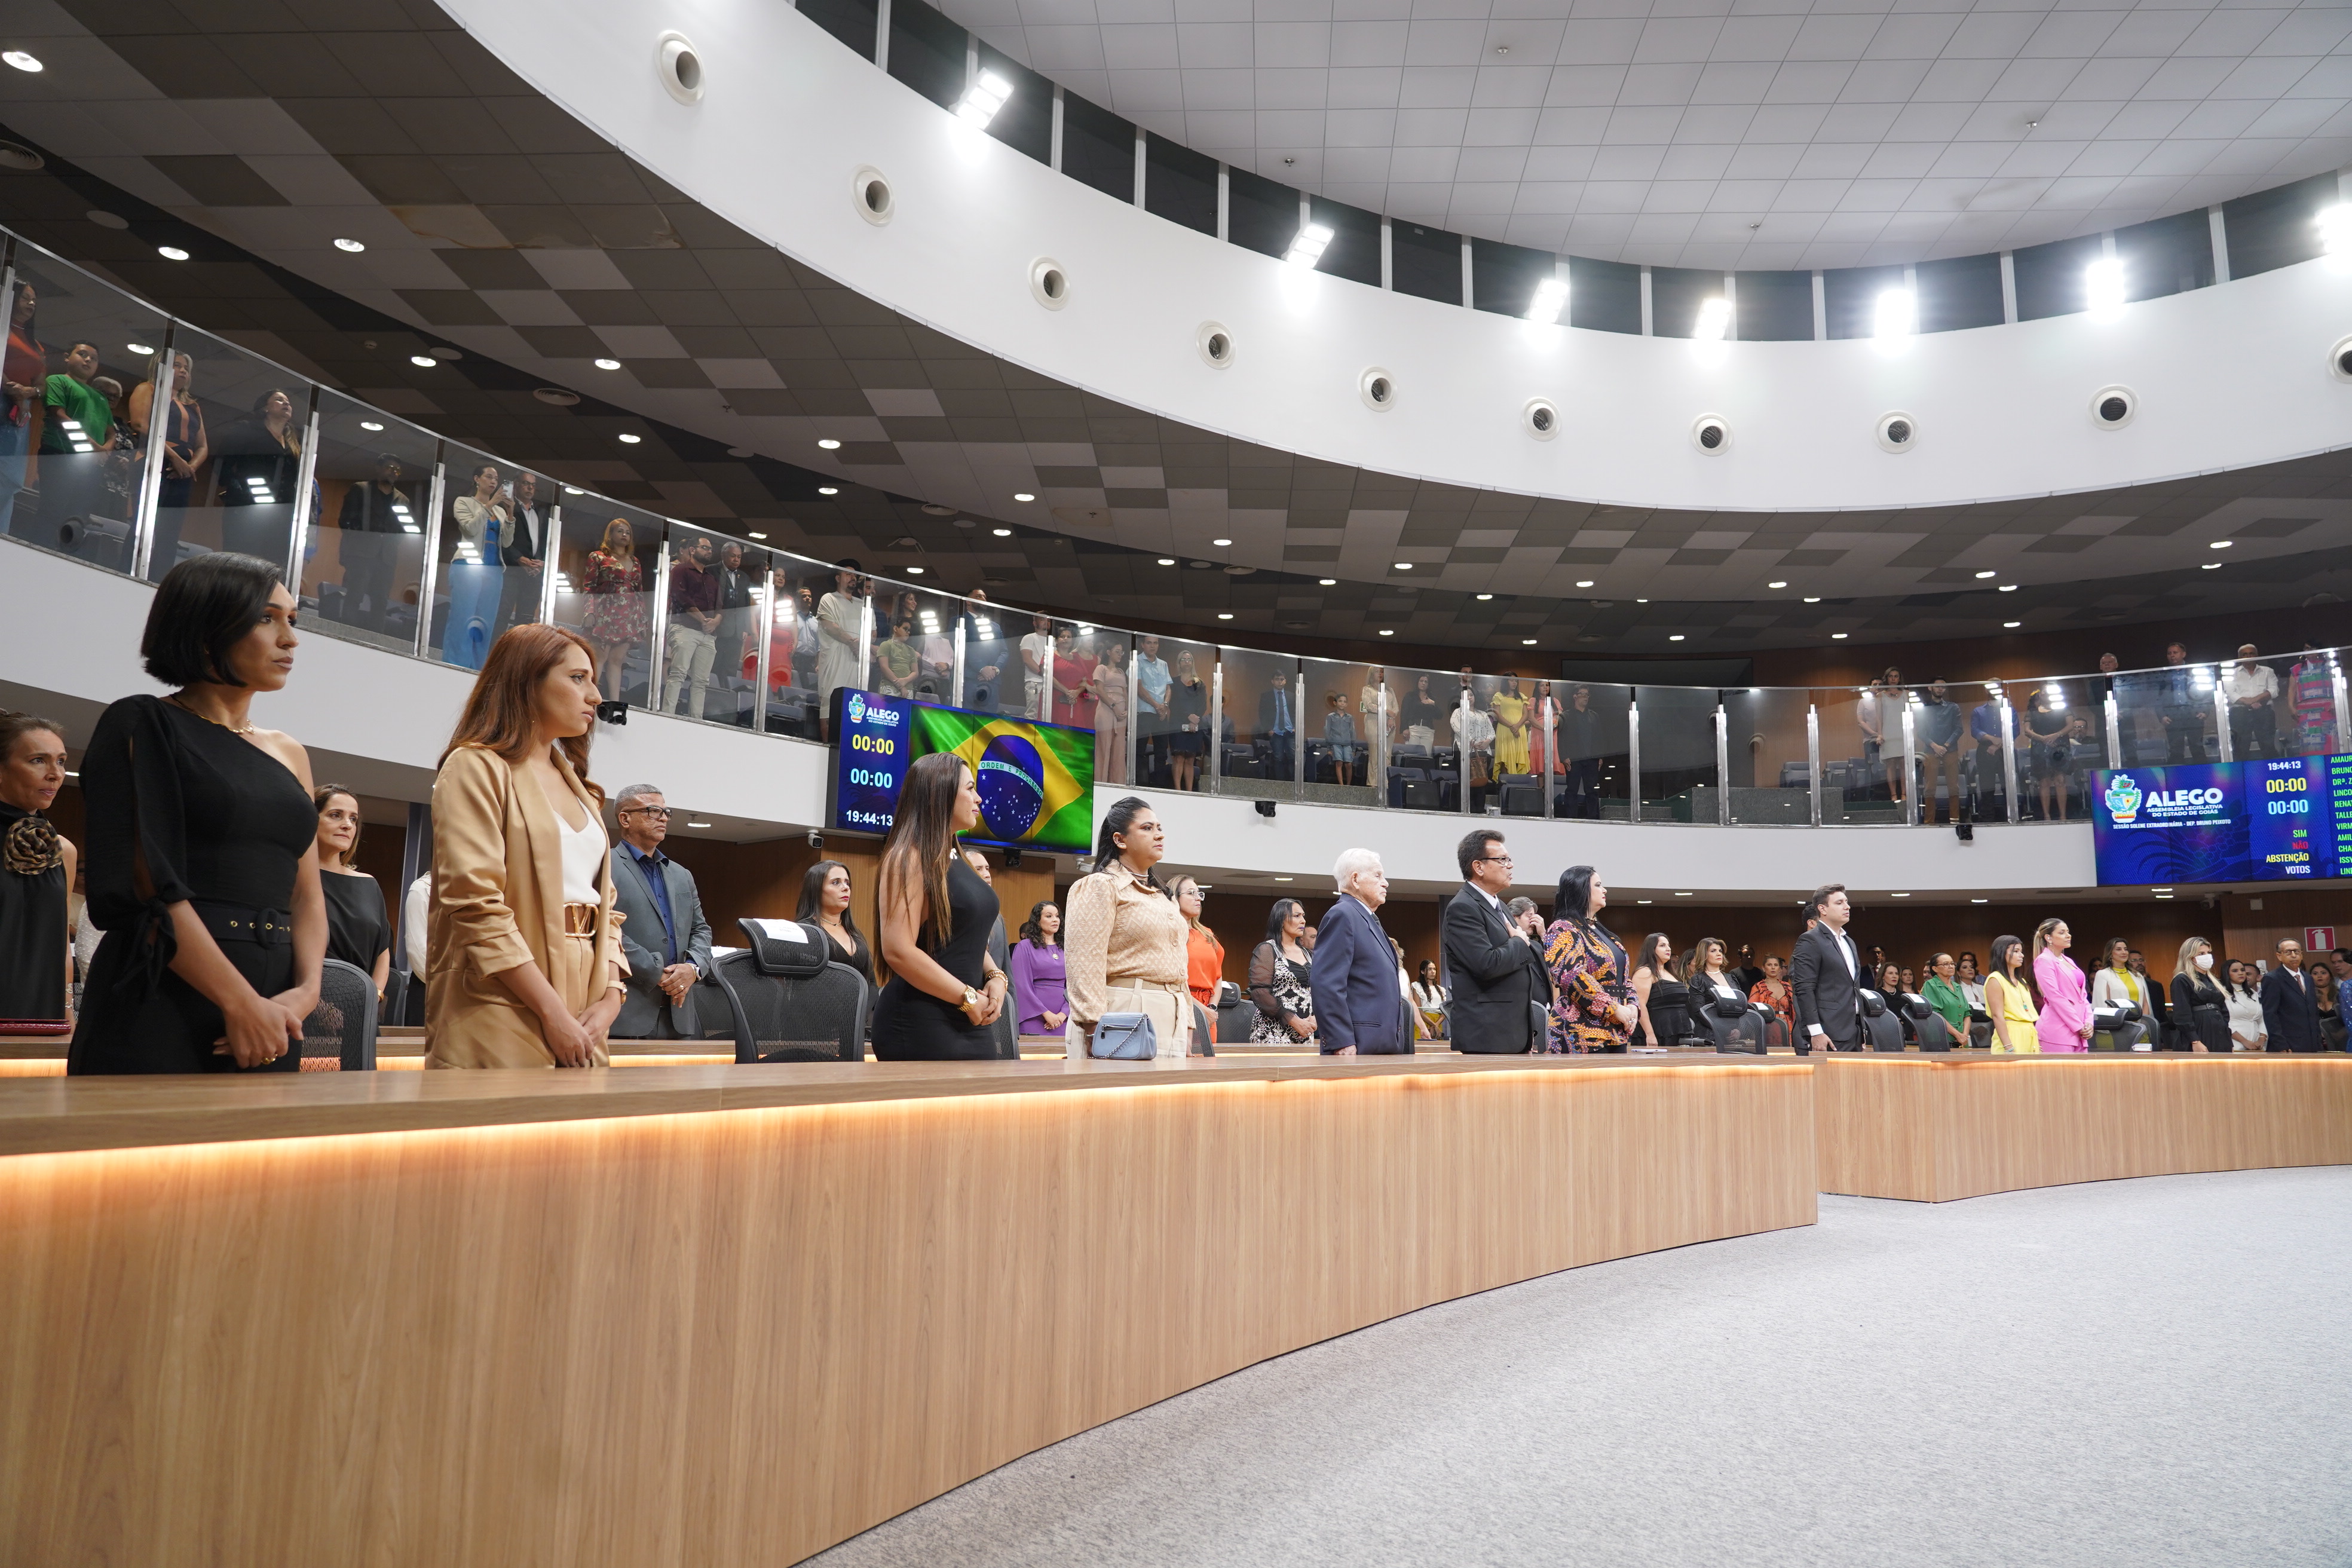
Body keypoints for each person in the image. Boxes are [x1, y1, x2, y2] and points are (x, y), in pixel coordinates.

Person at [69, 553, 326, 1074]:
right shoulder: (141, 722)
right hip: (165, 990)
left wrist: (307, 992)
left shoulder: (290, 752)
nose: (290, 639)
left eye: (293, 620)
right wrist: (239, 1002)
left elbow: (307, 894)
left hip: (277, 1006)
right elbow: (148, 886)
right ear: (207, 628)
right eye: (267, 618)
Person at [425, 624, 626, 1067]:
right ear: (526, 681)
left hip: (589, 991)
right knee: (503, 1111)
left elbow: (607, 907)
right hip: (504, 989)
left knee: (581, 1113)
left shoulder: (581, 786)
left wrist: (612, 995)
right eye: (578, 678)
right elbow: (475, 904)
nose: (596, 696)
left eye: (593, 680)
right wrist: (552, 1011)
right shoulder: (475, 766)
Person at [869, 754, 1006, 1058]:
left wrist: (996, 976)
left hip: (969, 1015)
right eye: (970, 788)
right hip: (921, 1021)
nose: (979, 798)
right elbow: (898, 950)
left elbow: (963, 936)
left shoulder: (957, 857)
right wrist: (967, 997)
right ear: (940, 794)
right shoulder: (908, 857)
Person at [1064, 796, 1191, 1056]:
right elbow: (1084, 963)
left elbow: (1179, 966)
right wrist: (1094, 1028)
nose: (1159, 835)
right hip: (1121, 1011)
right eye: (1147, 828)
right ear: (1120, 840)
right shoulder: (1100, 885)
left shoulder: (1164, 897)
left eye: (1159, 828)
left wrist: (1187, 1025)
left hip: (1172, 1012)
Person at [607, 782, 713, 1040]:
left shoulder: (681, 874)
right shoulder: (604, 865)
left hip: (679, 1016)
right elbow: (604, 928)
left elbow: (701, 929)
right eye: (653, 811)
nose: (663, 818)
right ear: (625, 819)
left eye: (666, 812)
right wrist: (656, 972)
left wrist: (692, 968)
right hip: (625, 1011)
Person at [0, 712, 76, 1033]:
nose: (55, 774)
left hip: (41, 1014)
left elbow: (61, 944)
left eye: (61, 761)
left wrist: (68, 1011)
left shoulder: (63, 851)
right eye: (38, 761)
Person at [1441, 828, 1548, 1054]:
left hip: (1512, 1032)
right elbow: (1486, 964)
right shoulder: (1463, 907)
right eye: (1502, 860)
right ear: (1478, 867)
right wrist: (1519, 942)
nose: (1510, 865)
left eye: (1509, 859)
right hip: (1487, 1032)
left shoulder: (1499, 906)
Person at [1307, 849, 1402, 1055]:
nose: (1385, 883)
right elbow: (1327, 984)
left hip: (1380, 1043)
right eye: (1378, 875)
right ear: (1356, 880)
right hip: (1356, 1045)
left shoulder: (1364, 917)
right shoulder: (1343, 915)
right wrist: (1340, 1041)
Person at [1541, 863, 1636, 1054]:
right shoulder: (1562, 928)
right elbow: (1573, 977)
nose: (1605, 890)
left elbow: (1623, 978)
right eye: (1598, 885)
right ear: (1581, 890)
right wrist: (1614, 1008)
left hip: (1616, 1029)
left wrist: (1633, 1005)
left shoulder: (1601, 931)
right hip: (1579, 1029)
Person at [311, 784, 391, 1008]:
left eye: (353, 819)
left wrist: (374, 996)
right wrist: (321, 1006)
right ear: (311, 819)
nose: (347, 824)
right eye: (336, 815)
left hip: (362, 1006)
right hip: (309, 1005)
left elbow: (383, 950)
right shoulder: (294, 878)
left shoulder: (369, 884)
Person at [333, 452, 413, 635]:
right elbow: (346, 521)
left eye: (398, 470)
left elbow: (404, 529)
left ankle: (375, 639)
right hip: (361, 554)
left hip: (387, 558)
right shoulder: (360, 490)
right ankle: (346, 635)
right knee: (355, 595)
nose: (394, 472)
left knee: (381, 601)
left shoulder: (403, 499)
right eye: (390, 468)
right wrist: (361, 541)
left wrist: (391, 544)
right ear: (378, 468)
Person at [440, 461, 509, 671]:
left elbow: (507, 543)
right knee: (462, 617)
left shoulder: (501, 511)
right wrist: (489, 506)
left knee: (485, 623)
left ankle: (477, 669)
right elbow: (470, 529)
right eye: (489, 477)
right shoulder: (464, 502)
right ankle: (454, 666)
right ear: (477, 479)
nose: (493, 482)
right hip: (467, 566)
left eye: (496, 479)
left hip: (494, 570)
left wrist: (511, 515)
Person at [580, 519, 647, 702]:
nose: (624, 535)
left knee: (618, 660)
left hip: (628, 614)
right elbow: (589, 586)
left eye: (628, 532)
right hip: (605, 612)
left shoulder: (635, 561)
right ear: (611, 534)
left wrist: (642, 619)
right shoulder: (598, 557)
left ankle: (615, 703)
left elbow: (639, 591)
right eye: (620, 531)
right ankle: (591, 699)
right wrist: (589, 611)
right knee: (599, 657)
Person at [1791, 884, 1864, 1054]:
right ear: (1822, 909)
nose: (1847, 907)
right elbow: (1804, 989)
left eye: (1846, 902)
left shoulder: (1849, 942)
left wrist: (1861, 1033)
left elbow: (1852, 987)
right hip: (1826, 1033)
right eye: (1839, 903)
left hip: (1853, 1031)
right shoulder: (1810, 940)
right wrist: (1816, 1032)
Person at [662, 535, 722, 719]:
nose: (709, 551)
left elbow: (721, 606)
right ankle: (667, 716)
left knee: (702, 681)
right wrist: (704, 620)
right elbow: (681, 598)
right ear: (692, 550)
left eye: (711, 549)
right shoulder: (681, 570)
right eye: (705, 548)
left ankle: (696, 719)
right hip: (685, 628)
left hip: (707, 634)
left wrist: (715, 621)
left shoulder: (711, 578)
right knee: (678, 674)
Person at [0, 281, 42, 537]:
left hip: (20, 412)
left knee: (12, 480)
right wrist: (11, 390)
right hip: (5, 401)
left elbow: (41, 384)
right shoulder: (2, 329)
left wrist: (28, 393)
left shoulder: (36, 345)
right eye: (26, 297)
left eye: (34, 299)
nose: (32, 303)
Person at [1249, 898, 1318, 1045]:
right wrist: (1292, 1019)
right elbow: (1260, 992)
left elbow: (1318, 990)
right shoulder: (1268, 949)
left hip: (1305, 1032)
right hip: (1273, 1033)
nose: (1303, 921)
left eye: (1303, 916)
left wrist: (1316, 1016)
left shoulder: (1308, 954)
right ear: (1281, 920)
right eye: (1297, 916)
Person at [796, 859, 874, 988]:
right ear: (816, 889)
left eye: (847, 883)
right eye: (836, 882)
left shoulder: (855, 933)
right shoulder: (804, 931)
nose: (846, 888)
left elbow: (871, 981)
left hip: (863, 1001)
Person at [495, 471, 552, 640]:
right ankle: (493, 651)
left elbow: (546, 541)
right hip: (511, 569)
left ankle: (518, 654)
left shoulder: (541, 512)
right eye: (526, 484)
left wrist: (542, 562)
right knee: (502, 614)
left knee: (526, 620)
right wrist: (519, 558)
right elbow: (501, 538)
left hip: (534, 573)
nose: (530, 488)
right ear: (516, 484)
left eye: (533, 485)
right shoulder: (506, 507)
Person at [815, 560, 868, 739]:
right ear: (838, 578)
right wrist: (853, 643)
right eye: (848, 574)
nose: (853, 577)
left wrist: (862, 644)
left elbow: (873, 633)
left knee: (854, 708)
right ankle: (827, 747)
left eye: (855, 575)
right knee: (829, 705)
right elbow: (830, 626)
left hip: (857, 664)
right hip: (834, 661)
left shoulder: (863, 605)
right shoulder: (828, 599)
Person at [1009, 900, 1068, 1040]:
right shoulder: (1025, 947)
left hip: (1063, 1020)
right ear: (1037, 920)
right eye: (1049, 916)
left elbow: (1074, 986)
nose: (1055, 920)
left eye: (1057, 916)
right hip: (1033, 1017)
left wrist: (1063, 1014)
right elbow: (1021, 985)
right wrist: (1046, 1013)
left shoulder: (1067, 948)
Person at [2030, 918, 2090, 1053]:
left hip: (2079, 1030)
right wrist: (2078, 1025)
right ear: (2049, 938)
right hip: (2058, 1030)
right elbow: (2055, 997)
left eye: (2068, 932)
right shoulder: (2044, 960)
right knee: (2061, 1068)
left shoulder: (2068, 960)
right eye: (2062, 933)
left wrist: (2089, 1022)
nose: (2068, 936)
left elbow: (2082, 996)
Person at [2259, 936, 2323, 1052]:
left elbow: (2313, 1012)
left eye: (2297, 952)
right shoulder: (2273, 979)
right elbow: (2270, 1014)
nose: (2294, 955)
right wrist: (2280, 1044)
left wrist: (2318, 1041)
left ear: (2302, 954)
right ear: (2279, 956)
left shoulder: (2307, 978)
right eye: (2288, 952)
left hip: (2311, 1042)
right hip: (2288, 1044)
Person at [2087, 937, 2151, 1049]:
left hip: (2139, 1028)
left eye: (2126, 949)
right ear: (2110, 954)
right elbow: (2103, 1005)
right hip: (2115, 1030)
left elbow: (2145, 1004)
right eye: (2119, 949)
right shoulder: (2103, 974)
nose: (2124, 952)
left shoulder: (2137, 975)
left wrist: (2142, 1024)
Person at [1916, 679, 1964, 824]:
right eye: (1937, 686)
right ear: (1930, 688)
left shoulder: (1953, 707)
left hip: (1950, 749)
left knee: (1954, 786)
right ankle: (1929, 822)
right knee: (1930, 787)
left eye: (1943, 687)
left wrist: (1945, 746)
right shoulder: (1923, 708)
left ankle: (1955, 820)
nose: (1940, 689)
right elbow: (1921, 732)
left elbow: (1959, 729)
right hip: (1931, 750)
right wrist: (1935, 746)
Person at [2167, 938, 2227, 1052]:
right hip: (2199, 1031)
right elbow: (2182, 1013)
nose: (2207, 956)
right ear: (2190, 957)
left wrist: (2227, 1036)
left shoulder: (2213, 981)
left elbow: (2224, 1010)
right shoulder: (2182, 979)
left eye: (2208, 953)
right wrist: (2195, 1040)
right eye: (2201, 954)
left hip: (2219, 1032)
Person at [2222, 645, 2279, 761]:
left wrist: (2256, 699)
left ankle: (2272, 770)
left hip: (2264, 711)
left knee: (2268, 746)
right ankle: (2240, 772)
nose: (2249, 656)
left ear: (2257, 655)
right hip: (2240, 713)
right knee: (2241, 748)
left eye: (2251, 653)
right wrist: (2250, 702)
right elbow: (2230, 693)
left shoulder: (2268, 671)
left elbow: (2274, 690)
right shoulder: (2231, 673)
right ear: (2239, 657)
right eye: (2245, 655)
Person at [959, 589, 1012, 712]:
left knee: (988, 721)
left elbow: (1004, 652)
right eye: (978, 597)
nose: (983, 599)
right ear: (968, 602)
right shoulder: (960, 621)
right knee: (964, 719)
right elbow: (960, 647)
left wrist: (995, 670)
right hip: (968, 679)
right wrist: (982, 669)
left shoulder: (995, 626)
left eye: (985, 597)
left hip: (992, 682)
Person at [1629, 934, 1683, 1048]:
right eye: (1662, 945)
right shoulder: (1645, 971)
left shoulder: (1671, 973)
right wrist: (1650, 1035)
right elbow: (1640, 1004)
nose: (1668, 949)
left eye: (1669, 945)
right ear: (1652, 949)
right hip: (1657, 1031)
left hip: (1678, 1029)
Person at [1986, 935, 2039, 1053]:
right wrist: (2008, 1046)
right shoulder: (1996, 979)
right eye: (2016, 951)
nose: (2022, 955)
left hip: (2029, 1033)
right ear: (2001, 953)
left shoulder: (2022, 982)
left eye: (2021, 951)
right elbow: (1997, 1015)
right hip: (2011, 1034)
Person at [2287, 643, 2338, 755]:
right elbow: (2292, 690)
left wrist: (2335, 702)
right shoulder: (2296, 669)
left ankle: (2330, 765)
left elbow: (2337, 685)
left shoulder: (2329, 666)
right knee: (2308, 744)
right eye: (2306, 648)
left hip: (2327, 710)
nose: (2309, 651)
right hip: (2305, 712)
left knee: (2330, 742)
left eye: (2312, 648)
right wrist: (2291, 707)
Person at [1133, 634, 1172, 782]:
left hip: (1161, 714)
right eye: (1149, 643)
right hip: (1144, 712)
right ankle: (1137, 784)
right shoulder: (1136, 661)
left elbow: (1168, 688)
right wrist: (1157, 705)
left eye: (1155, 643)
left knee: (1162, 752)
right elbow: (1138, 687)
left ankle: (1159, 785)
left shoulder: (1163, 664)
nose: (1152, 646)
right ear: (1143, 645)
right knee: (1139, 750)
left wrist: (1165, 705)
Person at [1167, 650, 1207, 791]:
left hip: (1195, 724)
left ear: (1193, 663)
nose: (1186, 662)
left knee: (1190, 759)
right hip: (1177, 723)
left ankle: (1189, 792)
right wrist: (1188, 716)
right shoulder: (1173, 682)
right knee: (1179, 758)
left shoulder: (1199, 683)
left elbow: (1202, 705)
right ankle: (1178, 790)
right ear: (1179, 663)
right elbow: (1173, 703)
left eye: (1189, 659)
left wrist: (1194, 719)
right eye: (1183, 659)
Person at [1094, 642, 1131, 780]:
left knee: (1119, 749)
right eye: (1117, 651)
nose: (1120, 654)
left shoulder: (1121, 672)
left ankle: (1117, 782)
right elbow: (1100, 690)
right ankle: (1100, 781)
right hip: (1106, 709)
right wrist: (1114, 706)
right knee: (1103, 746)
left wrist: (1127, 710)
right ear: (1109, 652)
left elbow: (1125, 693)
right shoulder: (1101, 668)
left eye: (1122, 652)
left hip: (1121, 714)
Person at [1257, 669, 1298, 780]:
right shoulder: (1266, 696)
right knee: (1278, 758)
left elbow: (1296, 712)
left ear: (1285, 681)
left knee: (1293, 757)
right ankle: (1280, 783)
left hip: (1290, 731)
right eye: (1277, 679)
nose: (1280, 682)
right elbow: (1262, 714)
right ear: (1272, 681)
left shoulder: (1291, 696)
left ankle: (1293, 782)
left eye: (1282, 679)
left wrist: (1295, 727)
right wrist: (1268, 729)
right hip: (1276, 732)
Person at [1922, 952, 1970, 1045]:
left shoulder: (1957, 986)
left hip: (1962, 1040)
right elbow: (1935, 1014)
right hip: (1941, 1037)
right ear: (1935, 969)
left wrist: (1964, 1035)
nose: (1951, 967)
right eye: (1946, 964)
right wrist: (1957, 1035)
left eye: (1952, 964)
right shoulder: (1931, 985)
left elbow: (1967, 1013)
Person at [1490, 675, 1529, 776]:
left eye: (1516, 681)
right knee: (1505, 756)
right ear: (1505, 682)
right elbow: (1497, 714)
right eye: (1512, 680)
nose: (1514, 683)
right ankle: (1506, 782)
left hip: (1520, 729)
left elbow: (1526, 714)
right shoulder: (1499, 696)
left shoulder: (1522, 696)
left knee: (1519, 755)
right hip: (1505, 729)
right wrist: (1512, 726)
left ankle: (1519, 782)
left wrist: (1517, 726)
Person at [1748, 953, 1794, 1039]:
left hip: (1788, 1028)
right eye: (1769, 965)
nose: (1773, 968)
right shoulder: (1758, 987)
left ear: (1780, 969)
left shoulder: (1787, 986)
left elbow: (1795, 1010)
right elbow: (1751, 1012)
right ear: (1764, 968)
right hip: (1767, 1028)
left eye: (1776, 965)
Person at [1358, 666, 1391, 783]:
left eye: (1382, 672)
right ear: (1372, 674)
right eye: (1377, 672)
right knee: (1374, 754)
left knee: (1387, 755)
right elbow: (1369, 706)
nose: (1380, 674)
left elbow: (1395, 708)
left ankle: (1385, 783)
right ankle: (1372, 783)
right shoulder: (1367, 689)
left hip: (1388, 725)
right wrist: (1386, 710)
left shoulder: (1389, 691)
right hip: (1372, 723)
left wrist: (1391, 716)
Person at [2224, 959, 2266, 1052]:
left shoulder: (2253, 993)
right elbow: (2225, 1022)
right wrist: (2245, 1041)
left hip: (2257, 1046)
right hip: (2235, 1045)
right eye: (2235, 971)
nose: (2241, 973)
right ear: (2227, 974)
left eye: (2242, 970)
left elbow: (2261, 1020)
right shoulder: (2222, 993)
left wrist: (2262, 1039)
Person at [1019, 612, 1054, 722]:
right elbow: (1027, 659)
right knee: (1032, 714)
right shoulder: (1029, 638)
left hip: (1051, 683)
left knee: (1049, 715)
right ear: (1035, 623)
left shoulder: (1053, 641)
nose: (1046, 622)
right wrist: (1043, 673)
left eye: (1049, 620)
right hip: (1035, 682)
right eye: (1042, 620)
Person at [875, 615, 920, 699]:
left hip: (908, 689)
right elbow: (884, 667)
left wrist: (904, 681)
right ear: (896, 629)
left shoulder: (911, 650)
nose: (908, 633)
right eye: (905, 629)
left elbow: (915, 672)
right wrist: (901, 686)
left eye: (909, 630)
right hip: (889, 687)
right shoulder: (886, 645)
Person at [1324, 690, 1358, 787]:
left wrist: (1354, 748)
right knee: (1339, 762)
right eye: (1340, 701)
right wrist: (1329, 748)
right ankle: (1341, 785)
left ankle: (1348, 785)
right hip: (1335, 743)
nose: (1342, 703)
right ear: (1335, 703)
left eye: (1344, 702)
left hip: (1347, 744)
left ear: (1346, 704)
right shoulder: (1330, 717)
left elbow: (1352, 731)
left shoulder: (1349, 717)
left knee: (1349, 764)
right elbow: (1327, 731)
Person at [1411, 958, 1450, 1040]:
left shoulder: (1441, 990)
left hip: (1437, 1022)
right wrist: (1434, 1025)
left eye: (1434, 969)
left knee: (1436, 1046)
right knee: (1421, 1045)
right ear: (1423, 971)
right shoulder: (1417, 986)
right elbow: (1418, 1009)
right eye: (1429, 969)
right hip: (1423, 1021)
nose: (1433, 972)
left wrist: (1437, 1025)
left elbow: (1444, 1011)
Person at [1401, 673, 1443, 748]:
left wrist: (1433, 704)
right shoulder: (1410, 696)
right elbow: (1404, 713)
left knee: (1426, 754)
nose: (1423, 683)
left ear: (1428, 685)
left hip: (1428, 731)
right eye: (1421, 681)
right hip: (1413, 729)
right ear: (1418, 682)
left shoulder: (1432, 698)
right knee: (1412, 753)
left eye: (1426, 682)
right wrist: (1405, 728)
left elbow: (1440, 716)